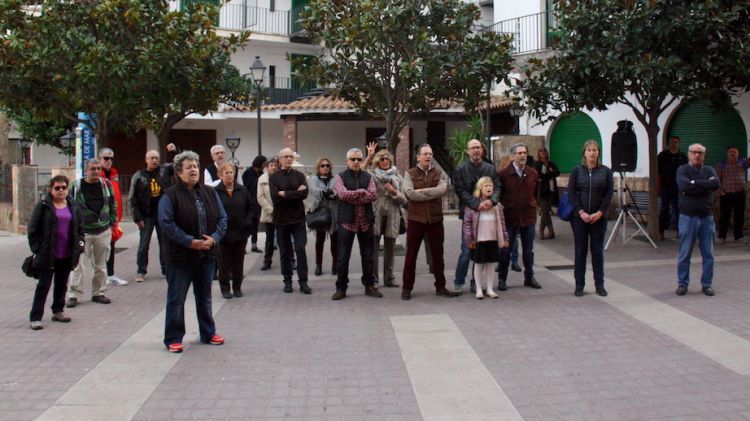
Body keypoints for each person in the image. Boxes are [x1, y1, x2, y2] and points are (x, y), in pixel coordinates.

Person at [158, 150, 227, 353]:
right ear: (179, 172)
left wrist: (213, 239)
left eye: (196, 166)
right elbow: (166, 223)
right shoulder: (170, 195)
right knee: (176, 299)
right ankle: (173, 337)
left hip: (206, 255)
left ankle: (208, 332)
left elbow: (223, 219)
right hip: (180, 257)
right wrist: (189, 242)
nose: (194, 170)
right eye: (189, 167)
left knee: (204, 297)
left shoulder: (210, 192)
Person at [401, 144, 460, 300]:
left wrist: (421, 191)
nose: (428, 156)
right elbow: (409, 194)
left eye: (430, 153)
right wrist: (430, 193)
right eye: (425, 154)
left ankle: (441, 286)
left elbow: (442, 190)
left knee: (438, 256)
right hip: (416, 220)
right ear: (418, 157)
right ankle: (407, 288)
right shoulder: (409, 173)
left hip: (435, 220)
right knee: (411, 255)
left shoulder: (438, 172)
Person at [27, 176, 84, 330]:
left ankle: (58, 310)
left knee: (62, 284)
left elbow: (79, 227)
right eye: (57, 188)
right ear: (51, 189)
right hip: (48, 254)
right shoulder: (44, 206)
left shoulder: (72, 205)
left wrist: (80, 245)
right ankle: (36, 317)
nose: (60, 191)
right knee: (43, 285)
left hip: (66, 253)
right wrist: (37, 249)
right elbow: (32, 228)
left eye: (64, 187)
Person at [331, 148, 381, 300]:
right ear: (347, 161)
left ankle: (369, 285)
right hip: (347, 222)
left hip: (365, 222)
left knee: (368, 257)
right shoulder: (340, 177)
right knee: (343, 257)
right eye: (353, 159)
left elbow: (373, 195)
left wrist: (355, 195)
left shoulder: (368, 176)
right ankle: (341, 288)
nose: (356, 162)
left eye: (359, 159)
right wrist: (361, 192)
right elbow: (342, 194)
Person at [451, 139, 501, 293]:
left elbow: (498, 187)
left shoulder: (490, 169)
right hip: (470, 215)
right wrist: (476, 204)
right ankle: (459, 281)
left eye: (478, 147)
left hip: (487, 217)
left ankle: (476, 282)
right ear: (467, 151)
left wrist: (491, 202)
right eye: (473, 148)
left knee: (481, 250)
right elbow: (460, 191)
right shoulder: (460, 170)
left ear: (482, 150)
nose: (476, 151)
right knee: (467, 250)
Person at [67, 159, 117, 308]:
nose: (96, 172)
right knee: (78, 265)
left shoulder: (106, 185)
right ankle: (73, 295)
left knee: (101, 265)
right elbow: (69, 207)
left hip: (102, 231)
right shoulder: (76, 187)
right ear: (86, 170)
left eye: (97, 169)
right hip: (83, 233)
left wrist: (112, 224)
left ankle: (98, 293)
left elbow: (113, 203)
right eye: (92, 169)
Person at [567, 140, 614, 297]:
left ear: (598, 153)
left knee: (597, 251)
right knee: (580, 250)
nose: (592, 153)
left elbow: (608, 194)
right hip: (580, 217)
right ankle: (579, 285)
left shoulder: (606, 171)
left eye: (595, 150)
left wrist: (600, 212)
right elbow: (571, 193)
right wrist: (581, 212)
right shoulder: (576, 171)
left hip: (598, 217)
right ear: (584, 153)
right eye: (589, 150)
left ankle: (599, 284)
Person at [676, 143, 720, 297]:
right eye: (694, 152)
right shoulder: (682, 170)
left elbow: (715, 184)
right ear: (689, 154)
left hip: (706, 218)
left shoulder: (709, 170)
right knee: (684, 253)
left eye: (700, 153)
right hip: (687, 217)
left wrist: (695, 183)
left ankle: (707, 285)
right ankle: (682, 284)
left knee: (708, 254)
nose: (697, 155)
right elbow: (684, 187)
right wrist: (704, 186)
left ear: (704, 155)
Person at [129, 145, 177, 282]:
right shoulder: (138, 176)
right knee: (144, 244)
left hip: (163, 214)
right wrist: (137, 217)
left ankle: (166, 268)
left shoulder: (165, 171)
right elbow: (132, 199)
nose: (154, 160)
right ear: (146, 160)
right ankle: (141, 271)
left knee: (165, 243)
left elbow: (179, 163)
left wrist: (174, 152)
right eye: (152, 158)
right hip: (146, 215)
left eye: (156, 158)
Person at [497, 143, 541, 291]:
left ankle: (529, 277)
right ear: (513, 155)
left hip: (528, 217)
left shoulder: (533, 173)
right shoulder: (503, 174)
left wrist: (532, 203)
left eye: (524, 152)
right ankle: (502, 278)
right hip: (510, 217)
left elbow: (536, 193)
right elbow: (499, 195)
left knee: (528, 250)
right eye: (519, 153)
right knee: (505, 250)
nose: (523, 155)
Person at [269, 147, 311, 294]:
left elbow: (304, 194)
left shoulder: (299, 175)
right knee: (285, 252)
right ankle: (287, 281)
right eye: (285, 156)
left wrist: (284, 193)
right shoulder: (274, 177)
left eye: (291, 156)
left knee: (300, 249)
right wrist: (295, 193)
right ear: (280, 160)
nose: (288, 159)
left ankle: (303, 282)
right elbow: (275, 198)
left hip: (298, 219)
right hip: (281, 220)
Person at [462, 177, 509, 299]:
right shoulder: (473, 204)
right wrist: (469, 239)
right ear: (480, 188)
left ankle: (489, 288)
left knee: (490, 264)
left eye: (490, 186)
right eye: (486, 186)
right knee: (478, 264)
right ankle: (478, 289)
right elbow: (467, 223)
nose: (488, 188)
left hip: (492, 239)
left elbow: (502, 223)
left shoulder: (497, 205)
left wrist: (505, 237)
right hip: (479, 239)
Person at [367, 147, 406, 288]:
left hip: (392, 215)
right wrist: (369, 156)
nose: (385, 161)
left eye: (387, 159)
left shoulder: (397, 176)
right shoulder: (372, 176)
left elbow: (404, 199)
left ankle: (389, 278)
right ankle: (374, 279)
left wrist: (393, 191)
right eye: (382, 159)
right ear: (377, 161)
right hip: (376, 214)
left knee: (390, 249)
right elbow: (361, 172)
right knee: (374, 250)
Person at [215, 163, 254, 299]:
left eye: (231, 172)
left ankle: (237, 287)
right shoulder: (215, 192)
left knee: (239, 262)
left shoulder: (242, 190)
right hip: (223, 235)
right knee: (223, 263)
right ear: (220, 176)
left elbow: (251, 207)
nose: (230, 175)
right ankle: (225, 288)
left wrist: (247, 221)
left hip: (240, 233)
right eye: (226, 173)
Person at [99, 148, 126, 286]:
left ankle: (109, 275)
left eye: (111, 158)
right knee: (101, 249)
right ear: (100, 159)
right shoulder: (98, 175)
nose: (109, 161)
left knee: (111, 247)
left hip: (113, 219)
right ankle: (102, 276)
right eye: (106, 158)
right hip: (101, 220)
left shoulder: (113, 174)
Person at [308, 157, 338, 277]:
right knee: (319, 241)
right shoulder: (313, 179)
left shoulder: (335, 179)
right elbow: (314, 191)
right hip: (320, 212)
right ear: (318, 167)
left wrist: (330, 193)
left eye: (327, 165)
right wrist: (328, 192)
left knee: (335, 241)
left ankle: (335, 265)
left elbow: (338, 191)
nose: (325, 167)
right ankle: (318, 265)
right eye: (322, 165)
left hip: (334, 213)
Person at [715, 145, 748, 244]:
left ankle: (738, 236)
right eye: (731, 152)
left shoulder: (743, 163)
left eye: (735, 152)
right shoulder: (722, 164)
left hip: (739, 194)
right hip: (726, 194)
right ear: (727, 153)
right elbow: (716, 178)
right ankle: (722, 236)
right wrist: (719, 191)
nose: (733, 153)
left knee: (739, 216)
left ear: (738, 153)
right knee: (724, 217)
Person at [657, 136, 688, 239]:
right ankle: (661, 232)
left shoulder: (682, 156)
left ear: (679, 143)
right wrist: (658, 187)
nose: (673, 144)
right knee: (664, 210)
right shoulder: (662, 155)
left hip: (678, 187)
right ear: (668, 143)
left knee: (679, 209)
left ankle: (679, 231)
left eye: (675, 142)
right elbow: (658, 172)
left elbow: (686, 173)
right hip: (665, 187)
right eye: (671, 142)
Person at [533, 147, 560, 239]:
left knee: (546, 211)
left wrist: (547, 175)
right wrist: (550, 174)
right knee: (545, 210)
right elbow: (539, 175)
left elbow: (557, 172)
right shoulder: (537, 164)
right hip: (541, 191)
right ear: (538, 153)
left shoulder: (551, 163)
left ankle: (549, 231)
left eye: (544, 151)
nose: (543, 153)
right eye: (541, 151)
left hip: (551, 190)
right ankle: (544, 231)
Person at [257, 156, 278, 271]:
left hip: (281, 213)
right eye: (271, 165)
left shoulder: (280, 177)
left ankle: (290, 261)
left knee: (284, 239)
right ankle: (267, 260)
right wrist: (271, 210)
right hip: (269, 213)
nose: (274, 167)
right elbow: (260, 197)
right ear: (267, 167)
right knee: (269, 239)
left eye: (275, 165)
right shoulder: (262, 179)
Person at [241, 155, 266, 253]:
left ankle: (254, 245)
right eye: (264, 163)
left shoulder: (261, 174)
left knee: (255, 225)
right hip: (248, 202)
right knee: (247, 225)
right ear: (260, 163)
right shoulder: (247, 173)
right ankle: (243, 247)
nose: (265, 165)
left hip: (257, 203)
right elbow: (245, 187)